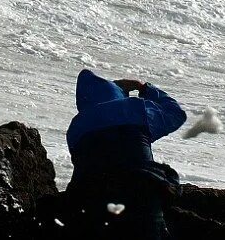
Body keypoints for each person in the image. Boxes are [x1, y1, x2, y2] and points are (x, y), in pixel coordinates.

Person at [61, 69, 186, 238]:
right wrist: (145, 88)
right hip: (141, 191)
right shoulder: (136, 109)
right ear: (118, 94)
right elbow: (176, 113)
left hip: (92, 199)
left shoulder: (76, 128)